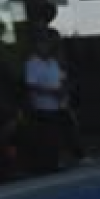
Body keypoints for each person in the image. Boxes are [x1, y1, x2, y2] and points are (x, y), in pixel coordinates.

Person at [24, 34, 88, 166]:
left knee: (70, 130)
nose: (45, 47)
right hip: (44, 106)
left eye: (47, 45)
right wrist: (51, 92)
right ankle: (55, 160)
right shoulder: (32, 64)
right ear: (36, 46)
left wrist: (64, 89)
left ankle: (80, 156)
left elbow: (62, 78)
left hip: (61, 104)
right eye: (42, 45)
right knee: (51, 135)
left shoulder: (53, 62)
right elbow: (31, 86)